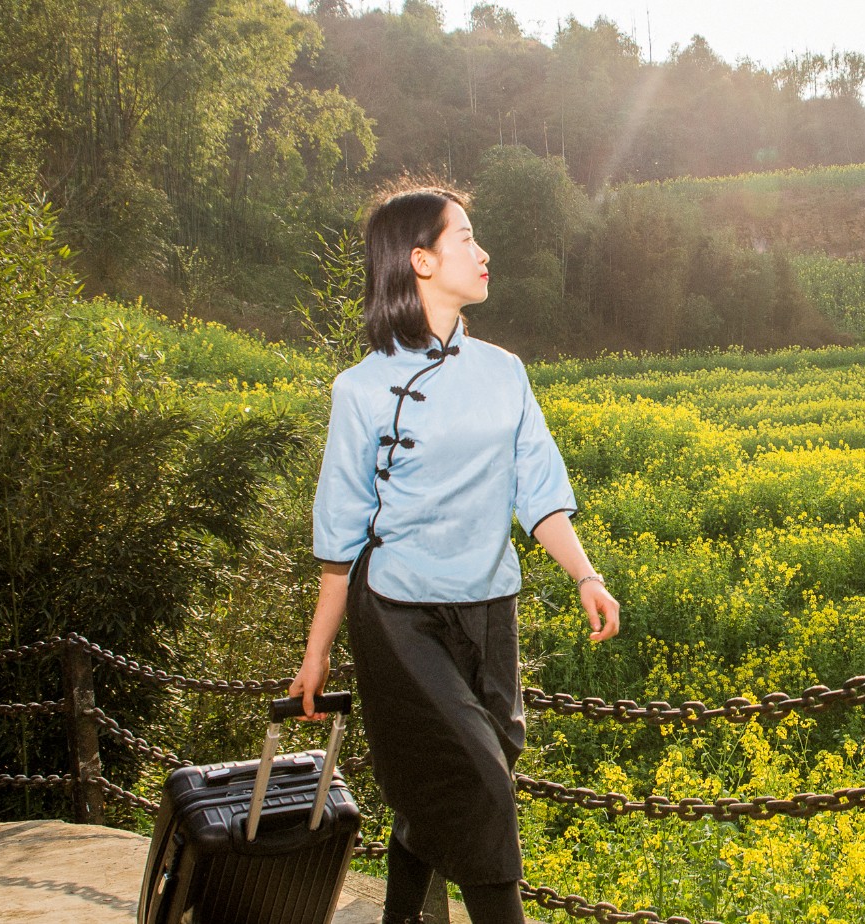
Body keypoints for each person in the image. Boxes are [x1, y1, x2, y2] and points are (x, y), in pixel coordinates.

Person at [288, 185, 620, 924]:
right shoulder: (360, 390)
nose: (483, 252)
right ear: (421, 261)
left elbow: (539, 489)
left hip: (490, 604)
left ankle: (400, 917)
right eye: (466, 238)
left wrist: (586, 575)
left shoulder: (505, 372)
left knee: (468, 770)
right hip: (399, 613)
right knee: (481, 785)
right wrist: (317, 653)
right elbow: (341, 538)